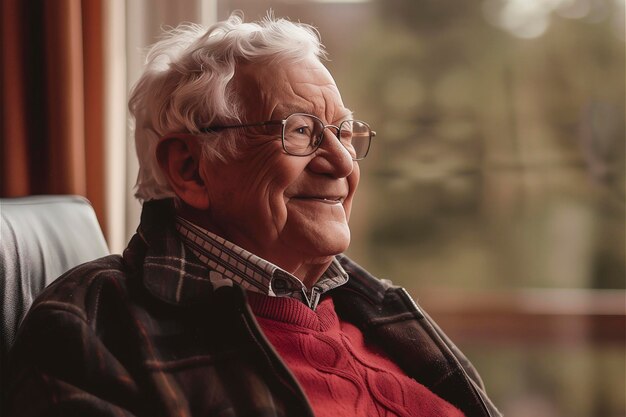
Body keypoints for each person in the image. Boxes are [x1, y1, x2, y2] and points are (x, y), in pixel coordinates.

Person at [7, 12, 501, 417]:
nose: (343, 162)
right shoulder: (94, 323)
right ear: (190, 169)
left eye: (344, 132)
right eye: (303, 131)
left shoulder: (370, 304)